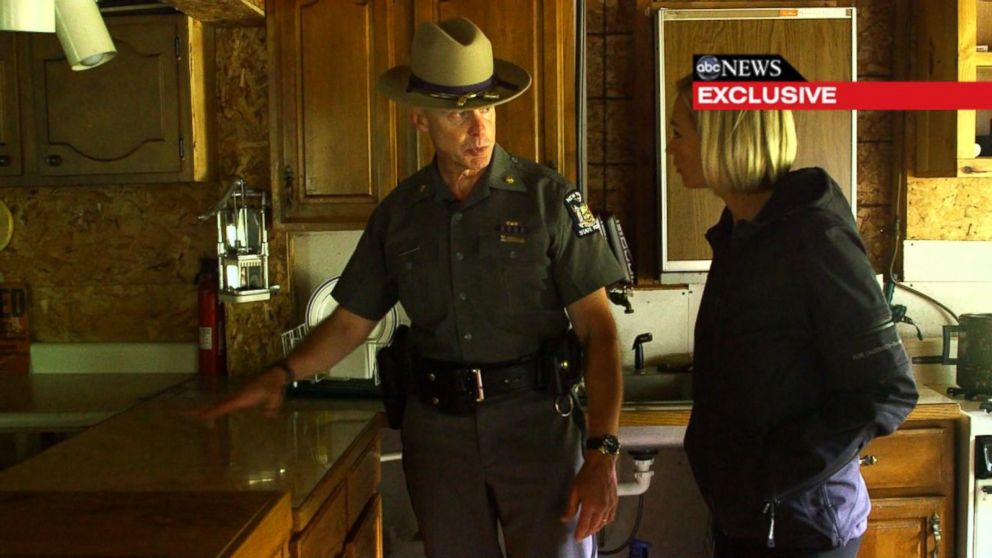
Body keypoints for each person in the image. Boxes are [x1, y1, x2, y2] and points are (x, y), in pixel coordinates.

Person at [199, 17, 626, 558]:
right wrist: (283, 373)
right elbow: (352, 321)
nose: (479, 129)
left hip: (538, 428)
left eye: (487, 108)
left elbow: (600, 332)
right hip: (439, 435)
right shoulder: (400, 215)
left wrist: (602, 452)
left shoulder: (548, 201)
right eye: (459, 113)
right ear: (420, 117)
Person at [666, 75, 918, 558]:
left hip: (805, 528)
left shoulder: (813, 238)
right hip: (751, 520)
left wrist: (769, 474)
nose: (669, 147)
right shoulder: (741, 230)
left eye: (679, 132)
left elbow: (888, 389)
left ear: (723, 141)